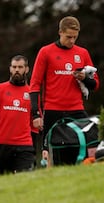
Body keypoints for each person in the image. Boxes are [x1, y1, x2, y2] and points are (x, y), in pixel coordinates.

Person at [29, 16, 100, 165]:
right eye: (69, 37)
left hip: (76, 110)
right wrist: (35, 114)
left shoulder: (82, 53)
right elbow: (34, 85)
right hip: (53, 111)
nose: (72, 41)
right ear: (60, 32)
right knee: (52, 156)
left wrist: (84, 78)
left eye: (75, 37)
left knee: (90, 142)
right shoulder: (46, 52)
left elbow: (95, 84)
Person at [0, 55, 35, 174]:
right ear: (10, 69)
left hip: (24, 146)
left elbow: (34, 125)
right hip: (1, 145)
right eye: (14, 67)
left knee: (25, 181)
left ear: (26, 69)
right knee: (0, 183)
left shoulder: (32, 93)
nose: (16, 70)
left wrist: (38, 149)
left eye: (20, 67)